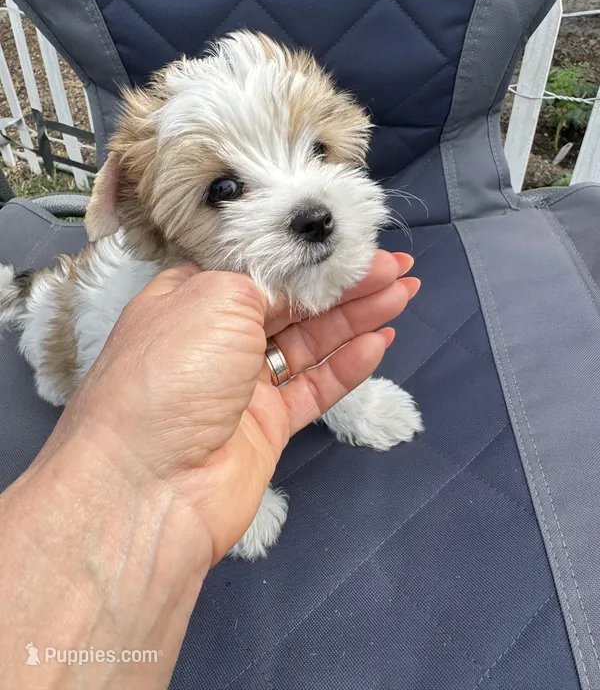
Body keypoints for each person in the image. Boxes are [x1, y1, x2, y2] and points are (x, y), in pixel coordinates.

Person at [0, 250, 419, 688]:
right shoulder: (135, 301)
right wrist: (172, 487)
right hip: (75, 340)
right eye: (224, 193)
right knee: (58, 383)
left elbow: (307, 346)